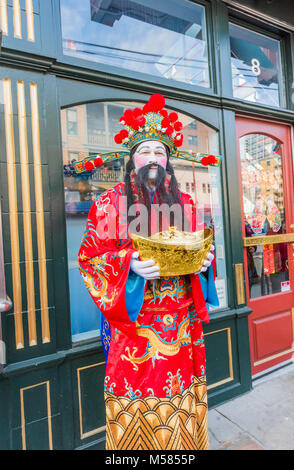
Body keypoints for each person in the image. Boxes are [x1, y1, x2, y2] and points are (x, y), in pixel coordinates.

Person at [77, 94, 220, 450]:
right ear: (132, 159)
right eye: (146, 151)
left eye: (161, 151)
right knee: (136, 410)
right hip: (135, 324)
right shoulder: (109, 203)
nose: (154, 158)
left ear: (169, 161)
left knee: (181, 406)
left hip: (182, 322)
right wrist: (129, 266)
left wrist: (204, 263)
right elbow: (90, 259)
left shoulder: (186, 203)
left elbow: (201, 245)